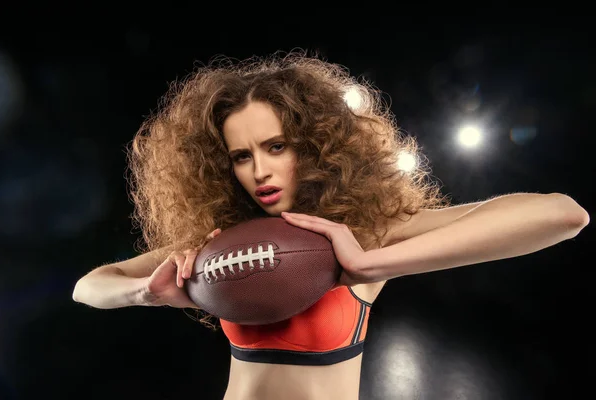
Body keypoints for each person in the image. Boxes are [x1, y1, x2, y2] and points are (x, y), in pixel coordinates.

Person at [72, 50, 590, 400]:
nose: (260, 171)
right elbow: (87, 287)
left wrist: (366, 263)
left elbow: (562, 215)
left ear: (315, 145)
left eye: (277, 147)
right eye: (241, 156)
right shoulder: (220, 243)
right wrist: (147, 292)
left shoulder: (365, 231)